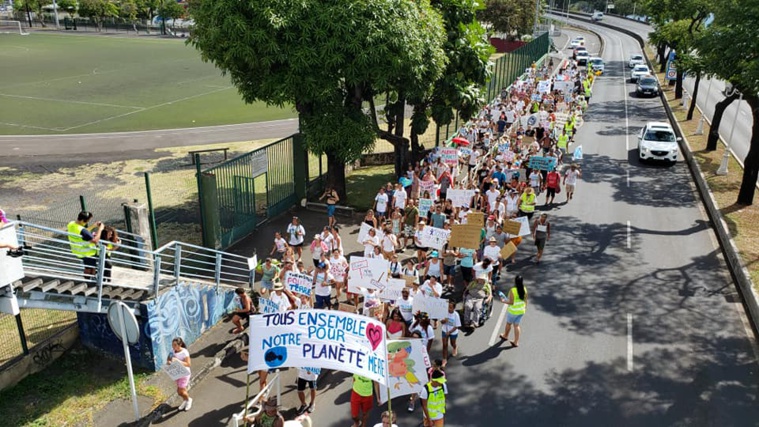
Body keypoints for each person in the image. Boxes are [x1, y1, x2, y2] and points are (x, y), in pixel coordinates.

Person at [67, 211, 105, 280]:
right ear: (82, 220)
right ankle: (89, 281)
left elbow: (83, 232)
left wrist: (93, 226)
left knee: (88, 266)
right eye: (86, 221)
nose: (86, 223)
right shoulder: (82, 230)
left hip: (78, 251)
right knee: (90, 268)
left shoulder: (71, 224)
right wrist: (100, 229)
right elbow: (95, 241)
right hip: (87, 253)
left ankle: (89, 279)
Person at [499, 275, 527, 347]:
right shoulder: (524, 289)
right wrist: (524, 308)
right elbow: (525, 300)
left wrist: (503, 301)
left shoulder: (513, 290)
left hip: (513, 311)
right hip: (521, 310)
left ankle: (505, 336)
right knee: (516, 326)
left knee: (508, 324)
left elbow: (511, 302)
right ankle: (516, 342)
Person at [168, 337, 192, 411]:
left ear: (180, 344)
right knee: (179, 392)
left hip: (184, 373)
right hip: (177, 372)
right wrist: (169, 362)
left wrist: (178, 361)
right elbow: (168, 359)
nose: (173, 347)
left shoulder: (184, 352)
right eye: (172, 345)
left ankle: (188, 400)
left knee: (181, 391)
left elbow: (188, 364)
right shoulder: (172, 351)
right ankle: (185, 400)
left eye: (175, 345)